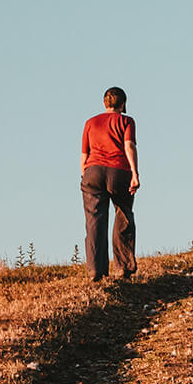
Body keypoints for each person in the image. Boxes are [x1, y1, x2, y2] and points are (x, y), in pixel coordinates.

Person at [80, 86, 140, 281]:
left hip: (93, 171)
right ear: (123, 104)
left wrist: (85, 174)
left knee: (94, 221)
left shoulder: (90, 123)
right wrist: (134, 173)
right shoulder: (126, 121)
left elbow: (84, 155)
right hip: (118, 172)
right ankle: (124, 267)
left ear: (104, 103)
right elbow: (128, 146)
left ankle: (96, 271)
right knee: (123, 214)